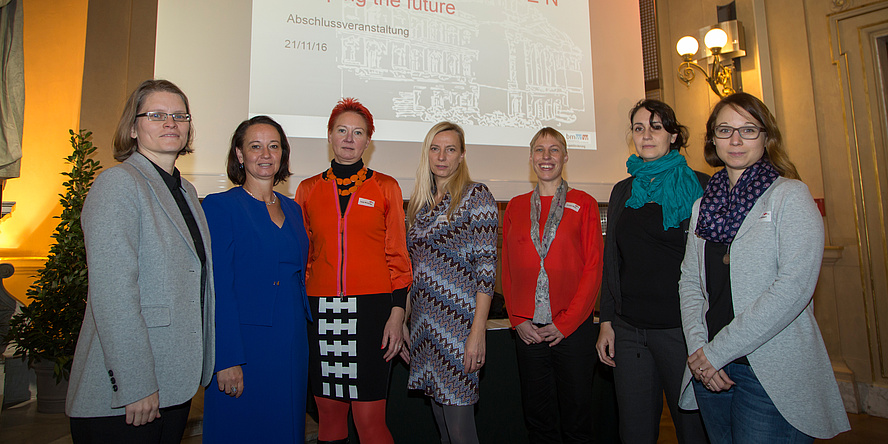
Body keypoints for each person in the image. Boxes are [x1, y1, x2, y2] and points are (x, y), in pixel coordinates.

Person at [678, 92, 850, 443]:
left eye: (748, 130)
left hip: (768, 369)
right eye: (725, 130)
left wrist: (715, 352)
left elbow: (793, 288)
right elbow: (690, 283)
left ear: (766, 137)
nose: (736, 140)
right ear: (712, 138)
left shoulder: (790, 196)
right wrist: (700, 352)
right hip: (711, 368)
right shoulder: (702, 205)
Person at [66, 79, 215, 443]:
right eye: (157, 115)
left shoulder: (186, 191)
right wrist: (136, 384)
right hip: (127, 398)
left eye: (180, 115)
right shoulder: (117, 184)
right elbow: (113, 296)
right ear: (132, 128)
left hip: (173, 384)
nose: (171, 123)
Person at [294, 98, 412, 444]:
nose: (349, 138)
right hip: (321, 312)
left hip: (373, 313)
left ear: (368, 142)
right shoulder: (307, 189)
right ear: (329, 136)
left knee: (369, 419)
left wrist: (397, 313)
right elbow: (304, 257)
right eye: (341, 130)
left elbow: (398, 257)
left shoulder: (386, 187)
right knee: (329, 417)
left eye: (357, 132)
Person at [595, 99, 709, 443]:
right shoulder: (623, 191)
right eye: (639, 128)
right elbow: (612, 261)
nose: (646, 135)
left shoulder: (699, 187)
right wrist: (607, 323)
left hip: (683, 331)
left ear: (673, 135)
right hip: (630, 333)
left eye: (656, 127)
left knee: (694, 430)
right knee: (634, 432)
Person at [201, 116, 311, 442]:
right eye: (255, 146)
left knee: (286, 427)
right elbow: (218, 287)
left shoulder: (294, 210)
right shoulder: (221, 207)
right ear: (239, 154)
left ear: (283, 154)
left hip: (291, 340)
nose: (265, 154)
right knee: (240, 428)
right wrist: (227, 358)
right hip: (245, 344)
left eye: (273, 146)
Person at [502, 127, 604, 444]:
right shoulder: (515, 206)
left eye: (554, 149)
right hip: (528, 329)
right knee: (538, 420)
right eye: (540, 150)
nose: (547, 157)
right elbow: (506, 268)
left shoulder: (584, 203)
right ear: (531, 157)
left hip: (571, 330)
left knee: (576, 420)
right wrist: (517, 319)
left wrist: (566, 323)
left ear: (565, 157)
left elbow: (593, 269)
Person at [403, 122, 498, 444]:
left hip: (459, 330)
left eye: (450, 149)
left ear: (462, 156)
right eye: (435, 148)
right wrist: (404, 320)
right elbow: (411, 271)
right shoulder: (418, 205)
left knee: (461, 432)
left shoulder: (477, 196)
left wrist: (477, 333)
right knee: (443, 429)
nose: (442, 157)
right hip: (423, 329)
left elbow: (487, 271)